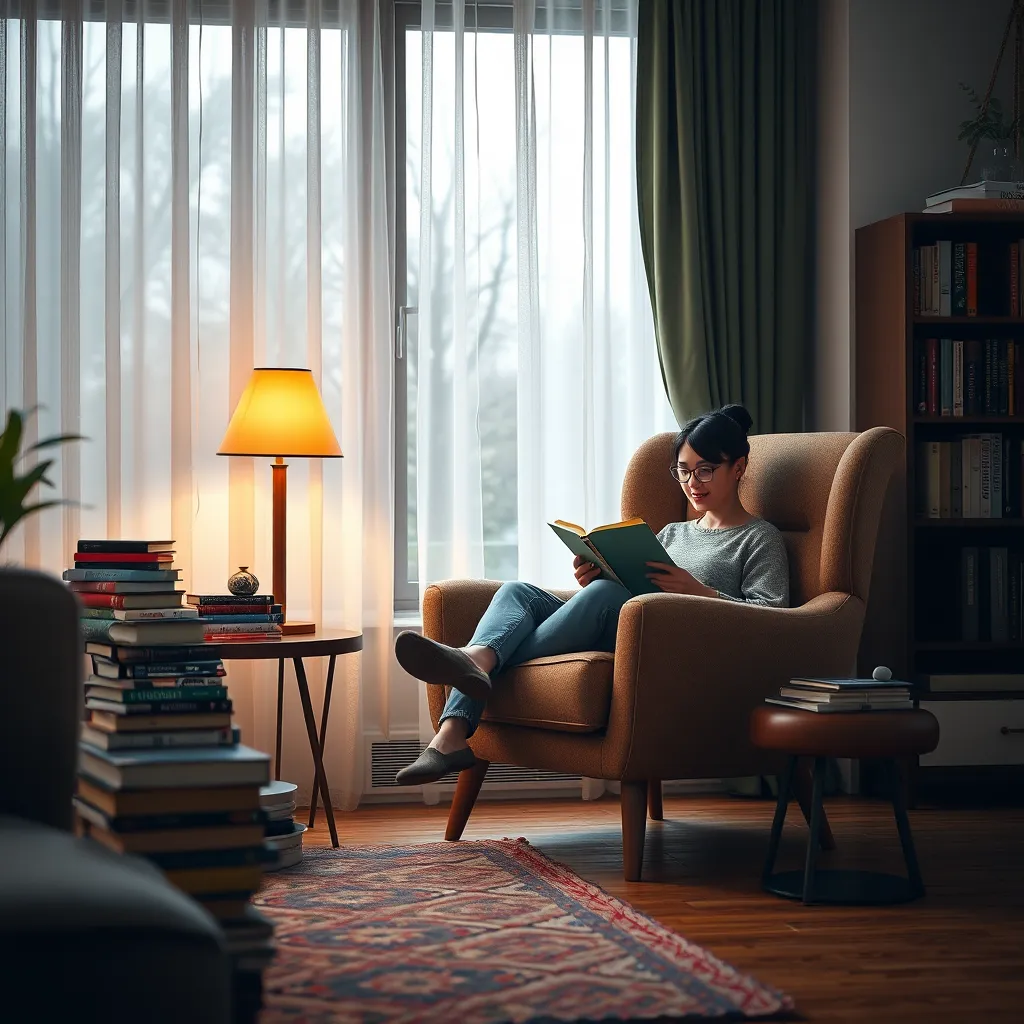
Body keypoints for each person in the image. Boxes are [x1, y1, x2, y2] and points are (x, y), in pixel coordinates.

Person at [392, 403, 790, 785]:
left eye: (705, 470)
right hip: (619, 623)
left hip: (665, 650)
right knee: (518, 592)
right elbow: (635, 583)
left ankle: (474, 670)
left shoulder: (759, 538)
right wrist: (596, 573)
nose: (692, 484)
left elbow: (773, 616)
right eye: (683, 472)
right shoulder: (672, 533)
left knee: (602, 596)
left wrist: (698, 590)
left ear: (738, 467)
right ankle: (460, 708)